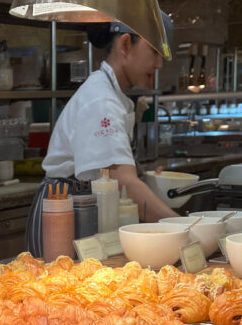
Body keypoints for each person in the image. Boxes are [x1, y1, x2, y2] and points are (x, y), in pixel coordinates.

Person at [26, 14, 178, 257]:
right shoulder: (101, 99)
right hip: (64, 209)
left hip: (84, 209)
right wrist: (183, 228)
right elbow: (123, 182)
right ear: (125, 44)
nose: (160, 64)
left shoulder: (114, 95)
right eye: (155, 52)